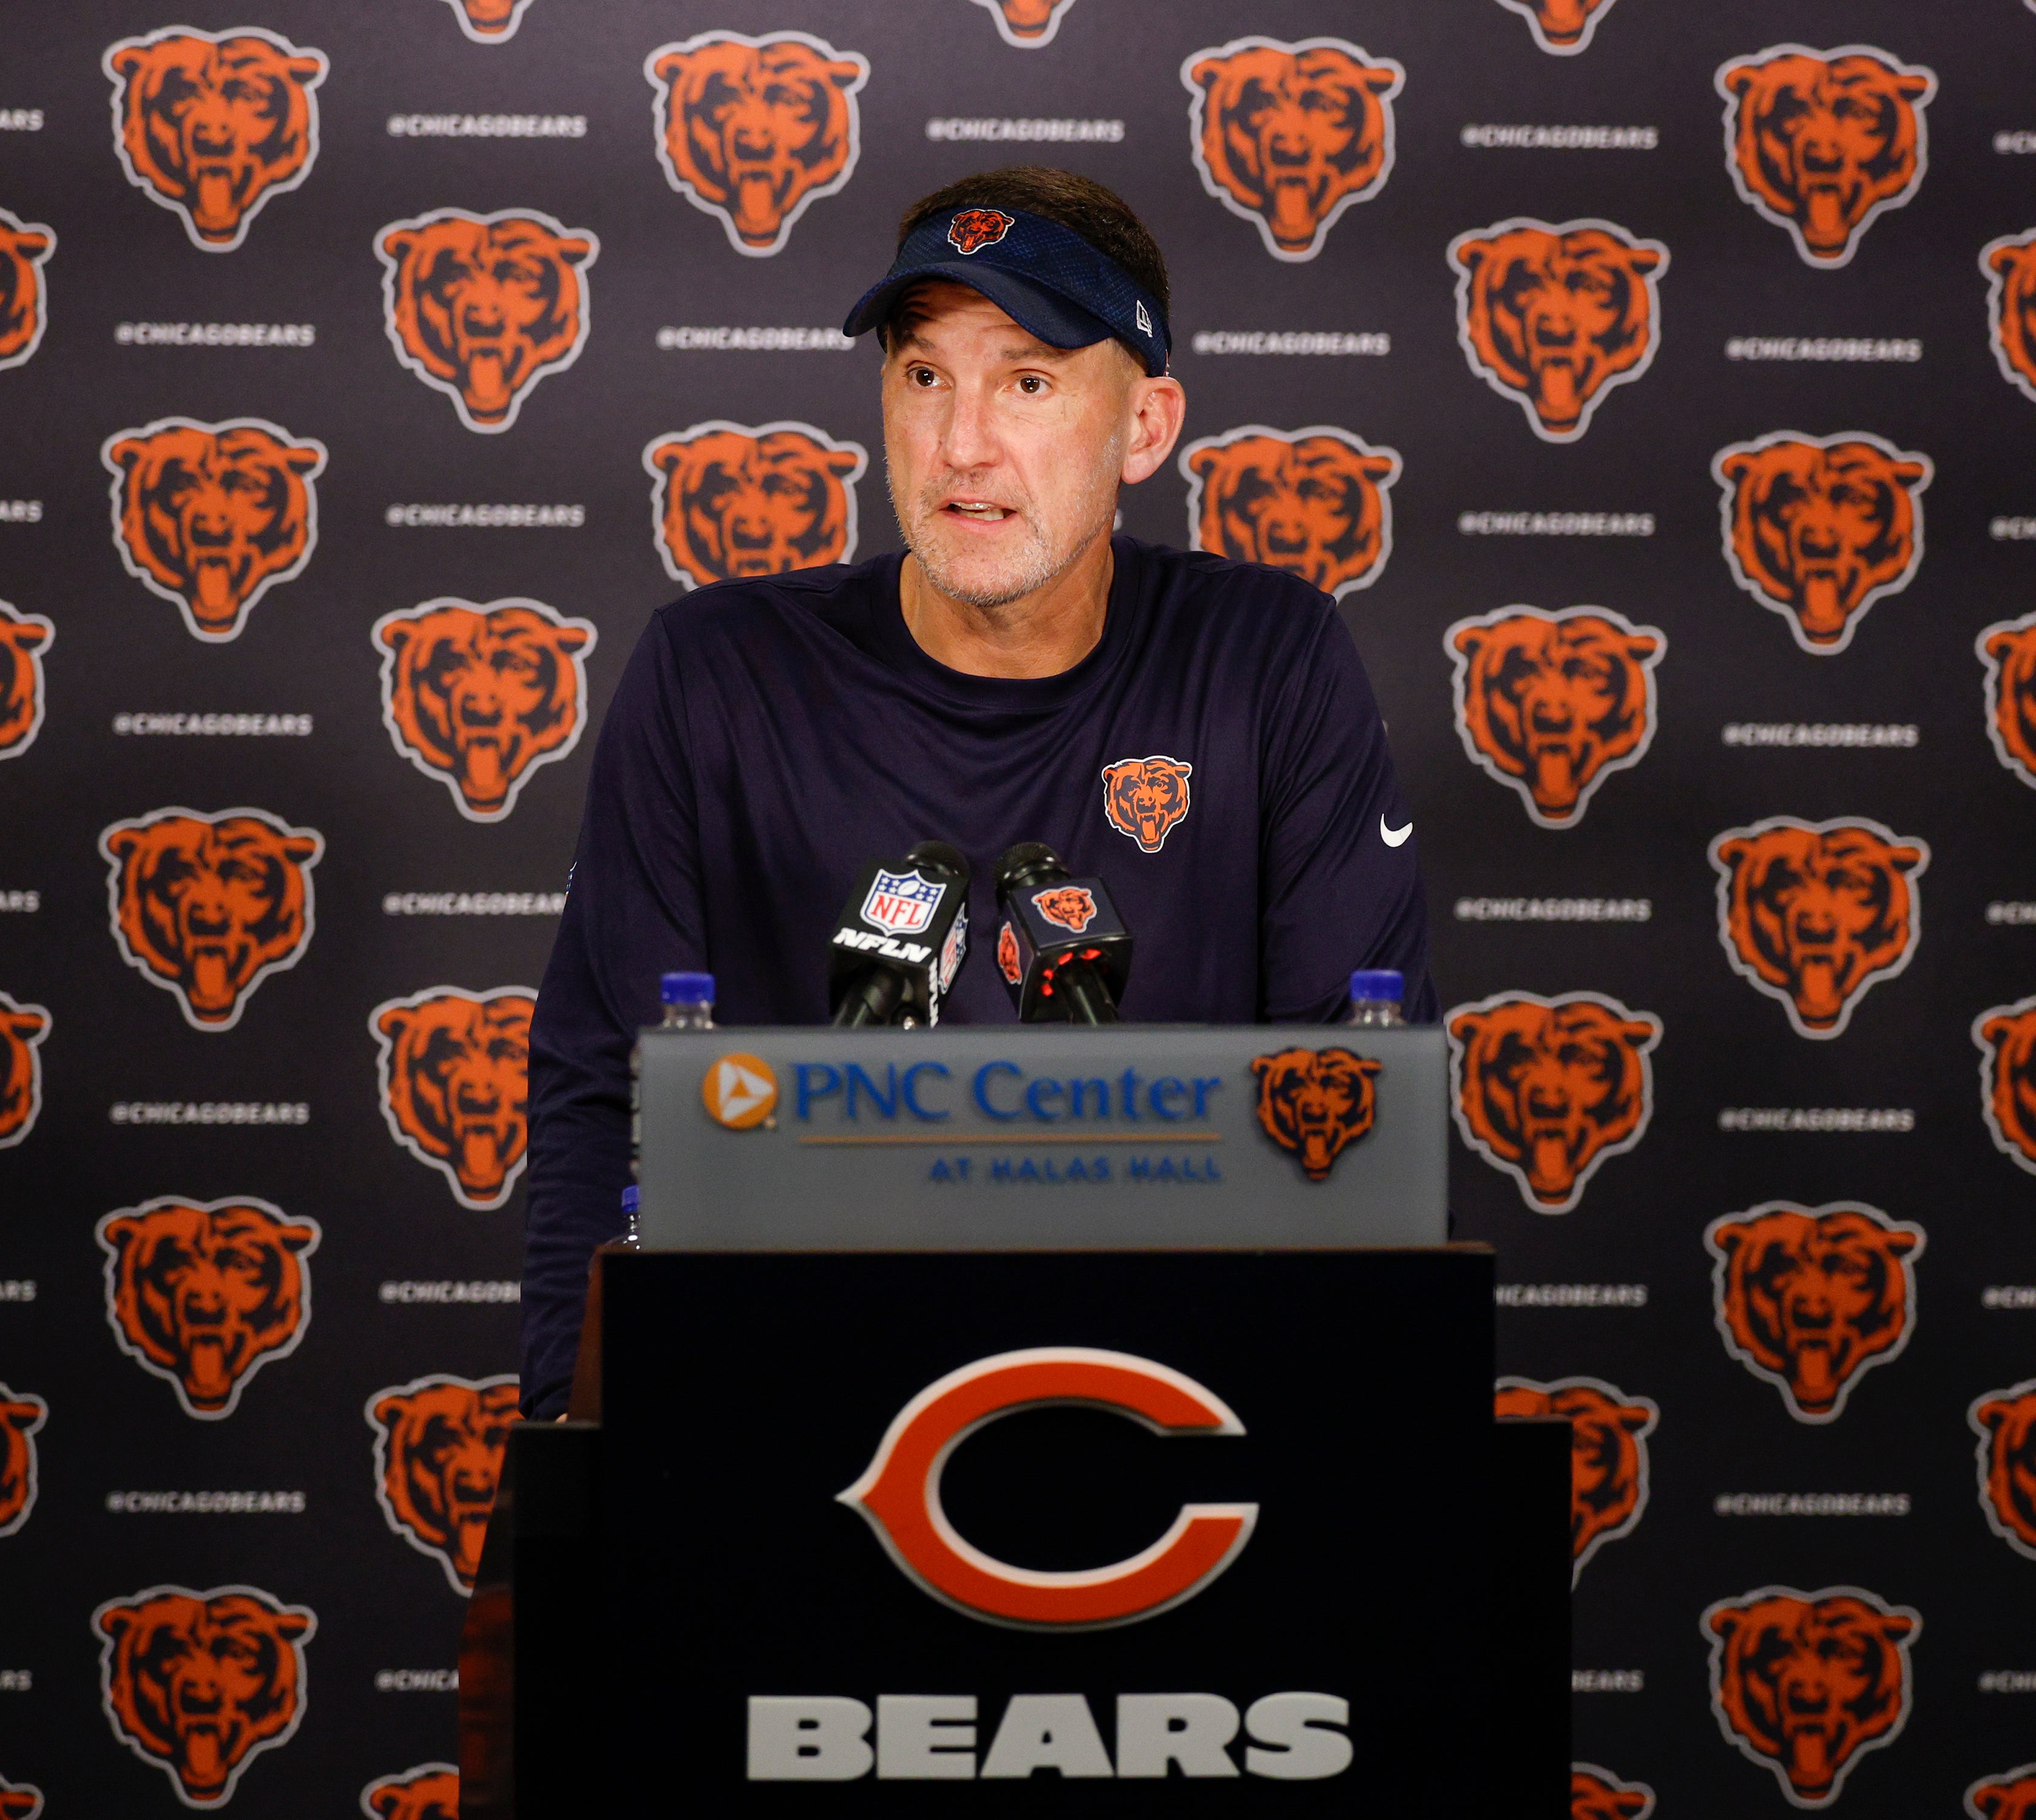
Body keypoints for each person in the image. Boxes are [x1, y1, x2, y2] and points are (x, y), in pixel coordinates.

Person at [519, 166, 1430, 1416]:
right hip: (793, 1412)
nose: (961, 445)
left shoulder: (1268, 661)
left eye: (1029, 380)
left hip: (1170, 1409)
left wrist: (1337, 1466)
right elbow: (598, 1094)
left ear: (1146, 428)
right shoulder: (715, 671)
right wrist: (586, 1473)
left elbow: (1352, 1102)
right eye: (923, 374)